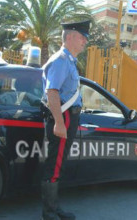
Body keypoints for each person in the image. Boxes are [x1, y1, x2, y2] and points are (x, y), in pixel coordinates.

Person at [41, 20, 91, 220]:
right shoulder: (61, 60)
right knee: (54, 164)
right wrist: (59, 123)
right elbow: (52, 91)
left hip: (68, 116)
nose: (85, 42)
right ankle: (49, 213)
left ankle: (54, 208)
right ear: (69, 37)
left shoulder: (68, 61)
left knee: (57, 163)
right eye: (82, 37)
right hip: (63, 117)